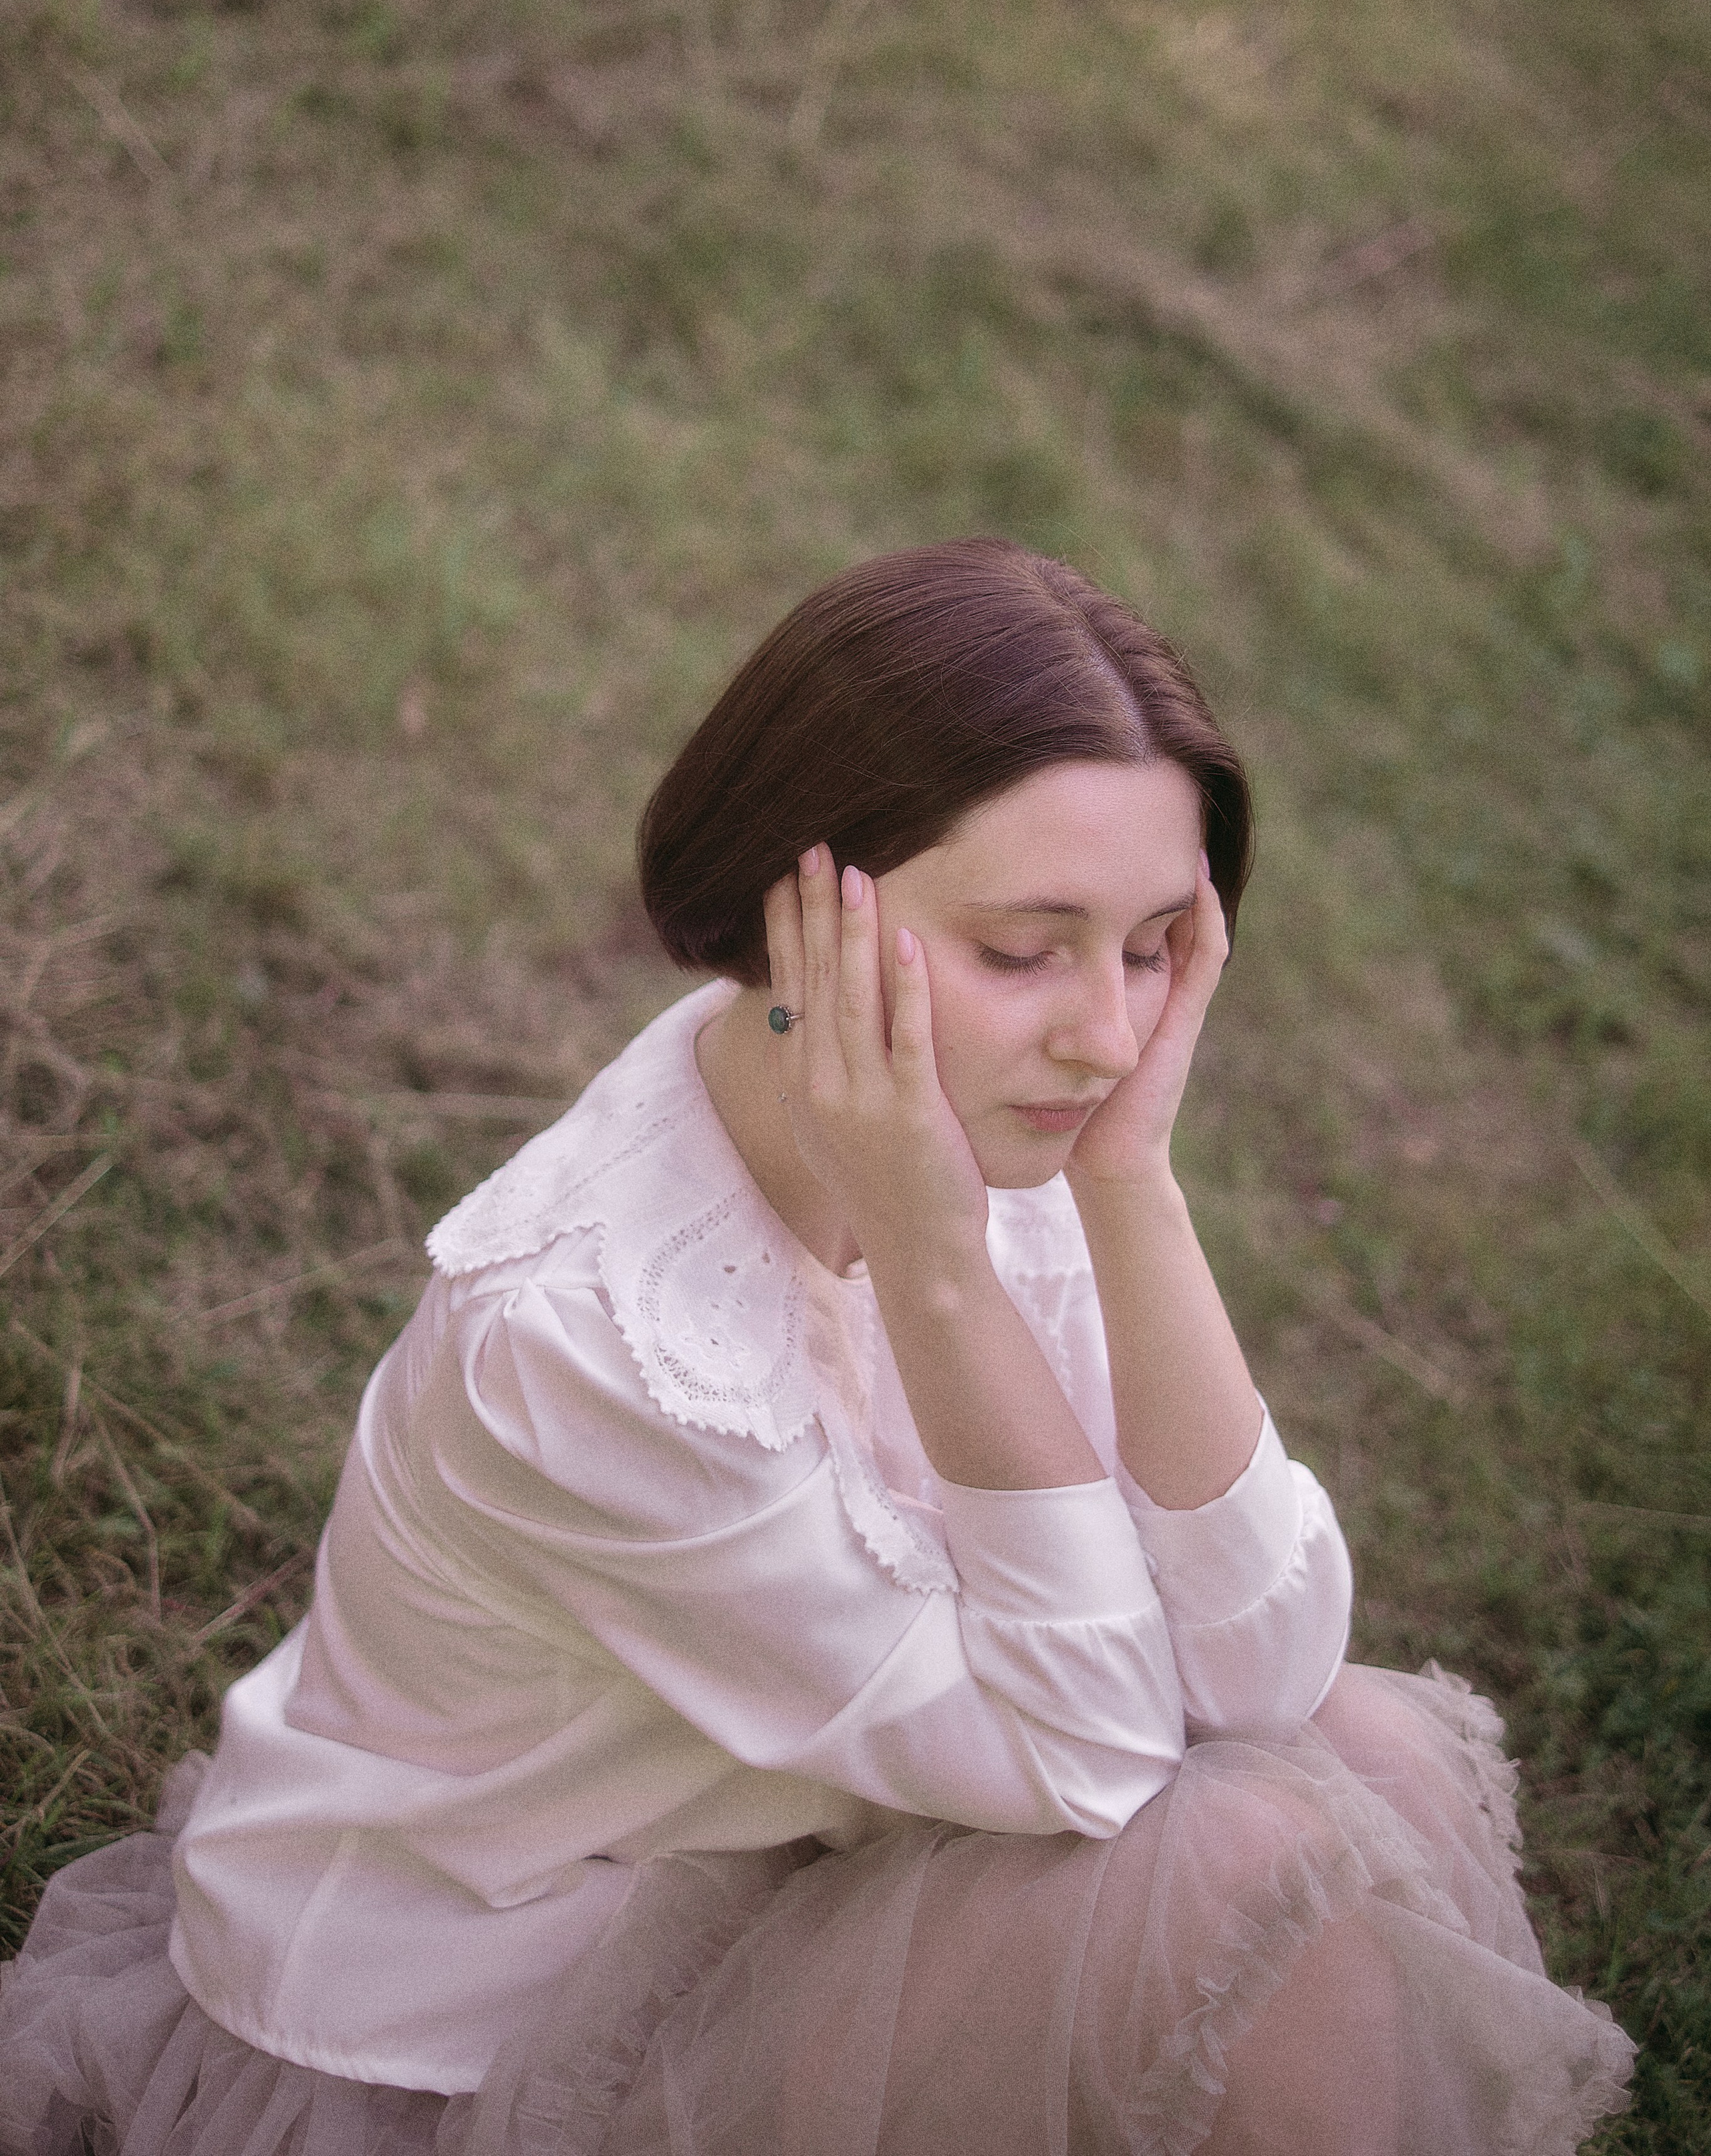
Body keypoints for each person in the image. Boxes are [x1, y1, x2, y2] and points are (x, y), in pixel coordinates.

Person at [1, 541, 1633, 2155]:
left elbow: (1257, 1669)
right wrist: (935, 1269)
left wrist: (1130, 1187)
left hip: (817, 1842)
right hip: (494, 2015)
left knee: (1338, 1743)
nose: (1108, 1033)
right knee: (1210, 1862)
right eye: (1020, 947)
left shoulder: (994, 1114)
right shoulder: (593, 1344)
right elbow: (1102, 1753)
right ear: (804, 921)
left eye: (1149, 948)